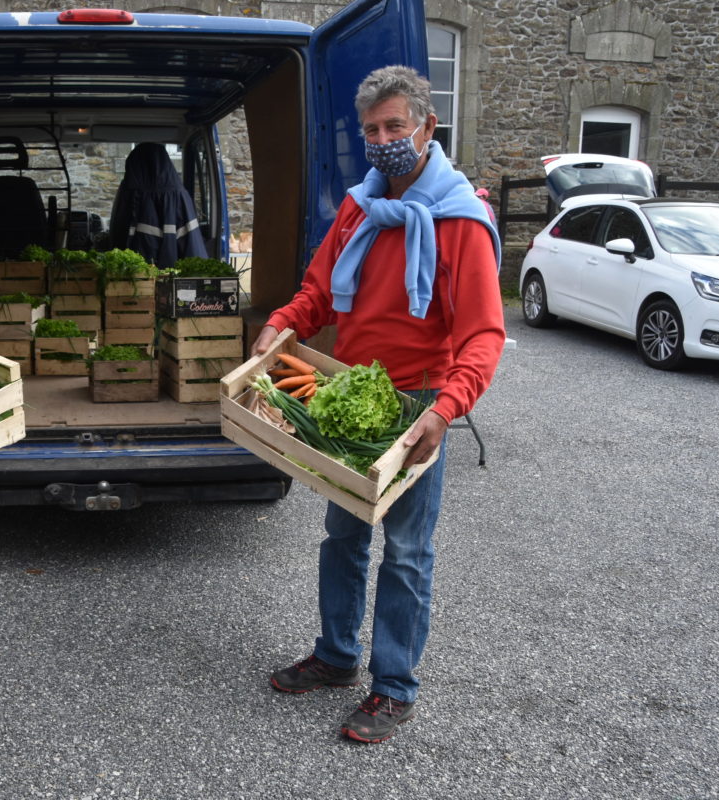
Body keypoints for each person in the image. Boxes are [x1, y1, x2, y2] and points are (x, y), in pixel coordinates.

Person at [254, 66, 504, 743]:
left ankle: (394, 686)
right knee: (342, 536)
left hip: (418, 404)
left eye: (396, 126)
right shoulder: (359, 208)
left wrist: (445, 409)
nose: (384, 140)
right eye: (372, 130)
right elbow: (317, 293)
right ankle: (336, 655)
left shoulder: (459, 221)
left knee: (407, 551)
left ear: (427, 127)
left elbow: (483, 334)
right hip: (350, 393)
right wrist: (282, 323)